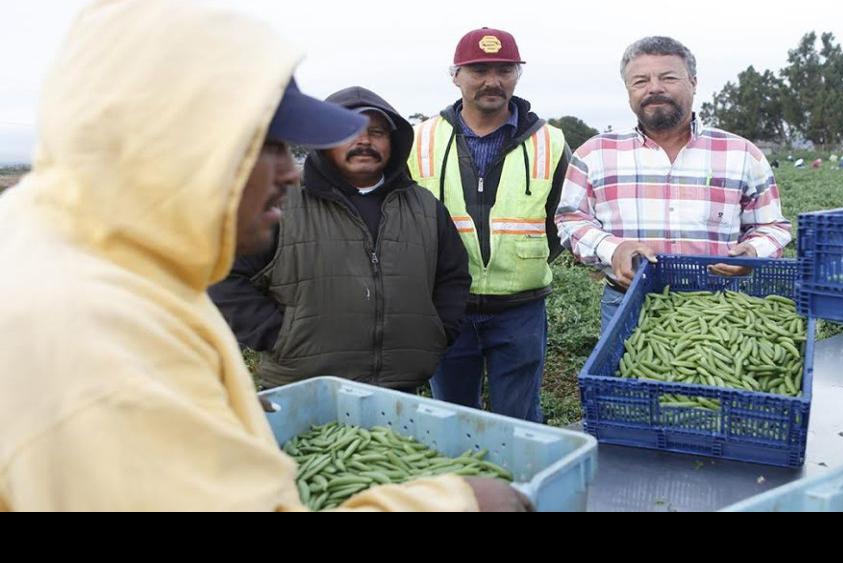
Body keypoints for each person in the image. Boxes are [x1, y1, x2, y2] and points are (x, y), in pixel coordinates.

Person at [0, 0, 528, 512]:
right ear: (181, 139)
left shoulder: (89, 253)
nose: (290, 172)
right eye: (270, 145)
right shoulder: (96, 338)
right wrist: (453, 502)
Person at [210, 86, 471, 392]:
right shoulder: (280, 203)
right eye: (350, 130)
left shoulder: (425, 208)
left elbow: (453, 278)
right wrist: (278, 336)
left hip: (399, 392)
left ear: (393, 141)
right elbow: (222, 276)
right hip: (304, 389)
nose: (364, 140)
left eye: (376, 132)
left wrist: (436, 333)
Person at [555, 36, 792, 332]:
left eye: (668, 77)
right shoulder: (594, 153)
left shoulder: (742, 153)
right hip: (628, 302)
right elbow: (569, 220)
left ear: (693, 83)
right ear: (628, 90)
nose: (654, 87)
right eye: (640, 81)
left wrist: (753, 253)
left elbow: (773, 227)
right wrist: (611, 248)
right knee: (629, 376)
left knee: (718, 379)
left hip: (721, 306)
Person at [407, 28, 570, 423]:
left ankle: (520, 486)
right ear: (456, 75)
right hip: (445, 307)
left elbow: (561, 220)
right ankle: (463, 487)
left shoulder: (550, 141)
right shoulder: (419, 140)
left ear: (517, 74)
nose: (492, 81)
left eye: (504, 69)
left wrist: (525, 259)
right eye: (479, 69)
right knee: (452, 419)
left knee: (519, 420)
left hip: (520, 310)